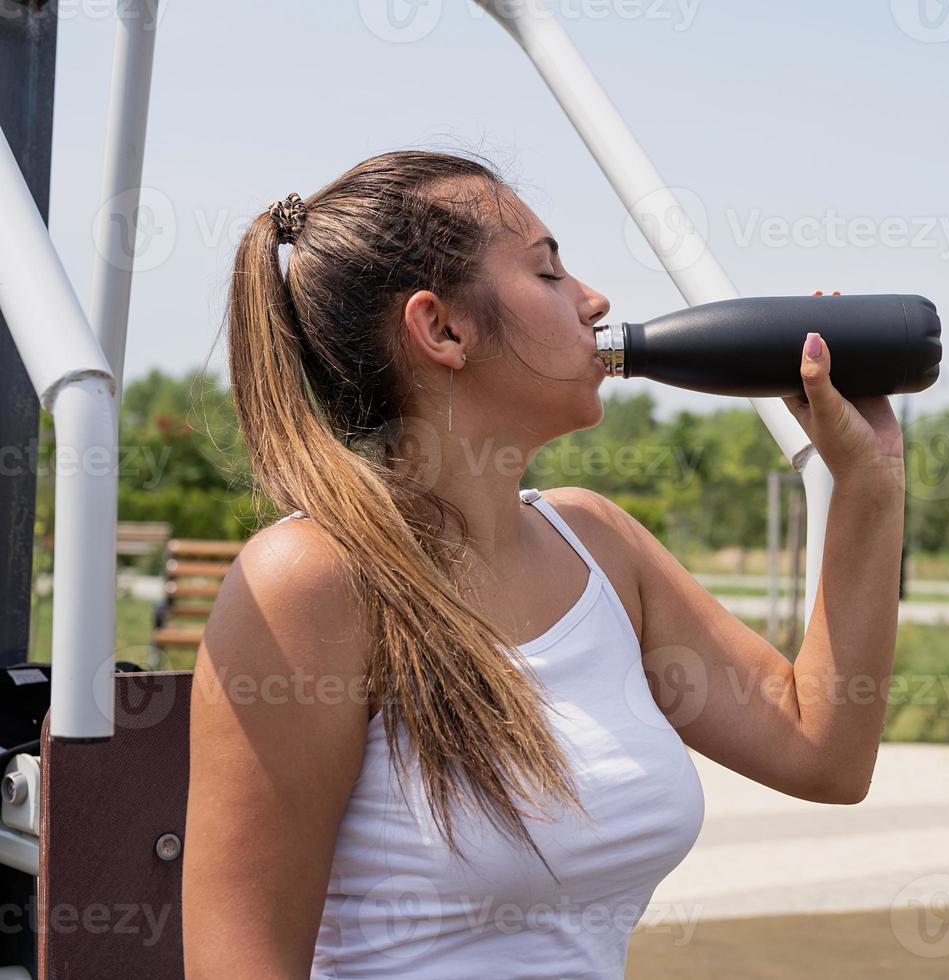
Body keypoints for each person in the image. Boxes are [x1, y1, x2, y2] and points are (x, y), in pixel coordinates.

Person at [180, 148, 906, 979]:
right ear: (442, 328)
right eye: (549, 272)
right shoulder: (310, 581)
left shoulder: (596, 543)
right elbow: (239, 963)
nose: (594, 299)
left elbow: (823, 751)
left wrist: (869, 487)